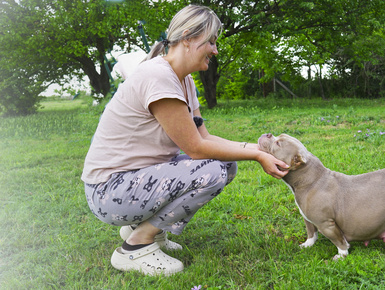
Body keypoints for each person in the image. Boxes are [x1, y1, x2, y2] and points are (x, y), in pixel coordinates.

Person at [81, 5, 289, 276]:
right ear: (189, 37)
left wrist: (259, 148)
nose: (215, 50)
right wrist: (259, 156)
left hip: (132, 182)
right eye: (211, 42)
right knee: (212, 170)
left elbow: (204, 136)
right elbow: (195, 149)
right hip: (109, 191)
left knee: (227, 165)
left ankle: (142, 228)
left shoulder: (184, 81)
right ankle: (135, 247)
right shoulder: (158, 76)